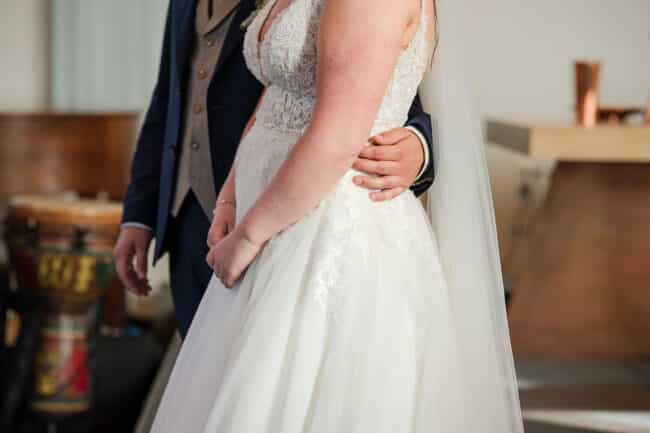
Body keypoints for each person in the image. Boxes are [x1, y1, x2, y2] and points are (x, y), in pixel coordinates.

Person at [149, 0, 524, 431]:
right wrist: (232, 198)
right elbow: (275, 97)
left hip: (327, 227)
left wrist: (250, 235)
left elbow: (338, 136)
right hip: (267, 219)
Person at [113, 0, 435, 338]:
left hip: (296, 219)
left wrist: (420, 143)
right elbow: (169, 95)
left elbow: (380, 82)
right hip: (194, 216)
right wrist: (139, 213)